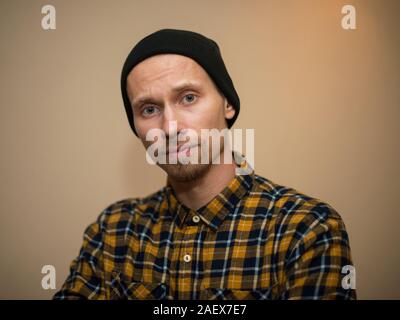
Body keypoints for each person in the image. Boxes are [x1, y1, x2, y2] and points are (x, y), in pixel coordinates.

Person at [54, 29, 356, 300]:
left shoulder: (305, 229)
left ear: (228, 103)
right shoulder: (113, 231)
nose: (170, 127)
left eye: (188, 97)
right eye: (149, 109)